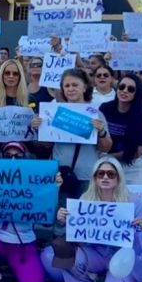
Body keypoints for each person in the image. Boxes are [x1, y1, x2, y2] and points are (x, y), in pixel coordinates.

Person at [50, 156, 142, 282]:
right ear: (95, 177)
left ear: (118, 177)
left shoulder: (133, 201)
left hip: (123, 258)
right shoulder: (86, 198)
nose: (105, 177)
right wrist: (63, 220)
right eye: (100, 173)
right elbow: (77, 233)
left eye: (111, 174)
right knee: (68, 252)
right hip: (94, 252)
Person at [0, 142, 58, 282]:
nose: (12, 160)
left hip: (22, 245)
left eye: (18, 156)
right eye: (7, 156)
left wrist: (55, 188)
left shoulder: (35, 184)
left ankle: (19, 267)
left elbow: (45, 219)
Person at [32, 69, 112, 197]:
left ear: (85, 87)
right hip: (59, 174)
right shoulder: (54, 112)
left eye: (75, 85)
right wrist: (39, 128)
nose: (71, 89)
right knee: (61, 213)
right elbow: (47, 145)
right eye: (67, 86)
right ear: (62, 89)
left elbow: (106, 147)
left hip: (87, 176)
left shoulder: (95, 114)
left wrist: (101, 132)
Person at [99, 73, 142, 184]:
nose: (124, 91)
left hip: (136, 166)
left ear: (136, 94)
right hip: (108, 163)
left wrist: (107, 158)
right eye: (121, 86)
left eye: (130, 89)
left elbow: (138, 152)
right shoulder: (105, 108)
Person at [0, 59, 35, 157]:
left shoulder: (30, 100)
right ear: (1, 75)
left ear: (20, 76)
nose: (11, 76)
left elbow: (36, 134)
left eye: (15, 73)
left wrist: (36, 125)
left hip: (24, 157)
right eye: (7, 73)